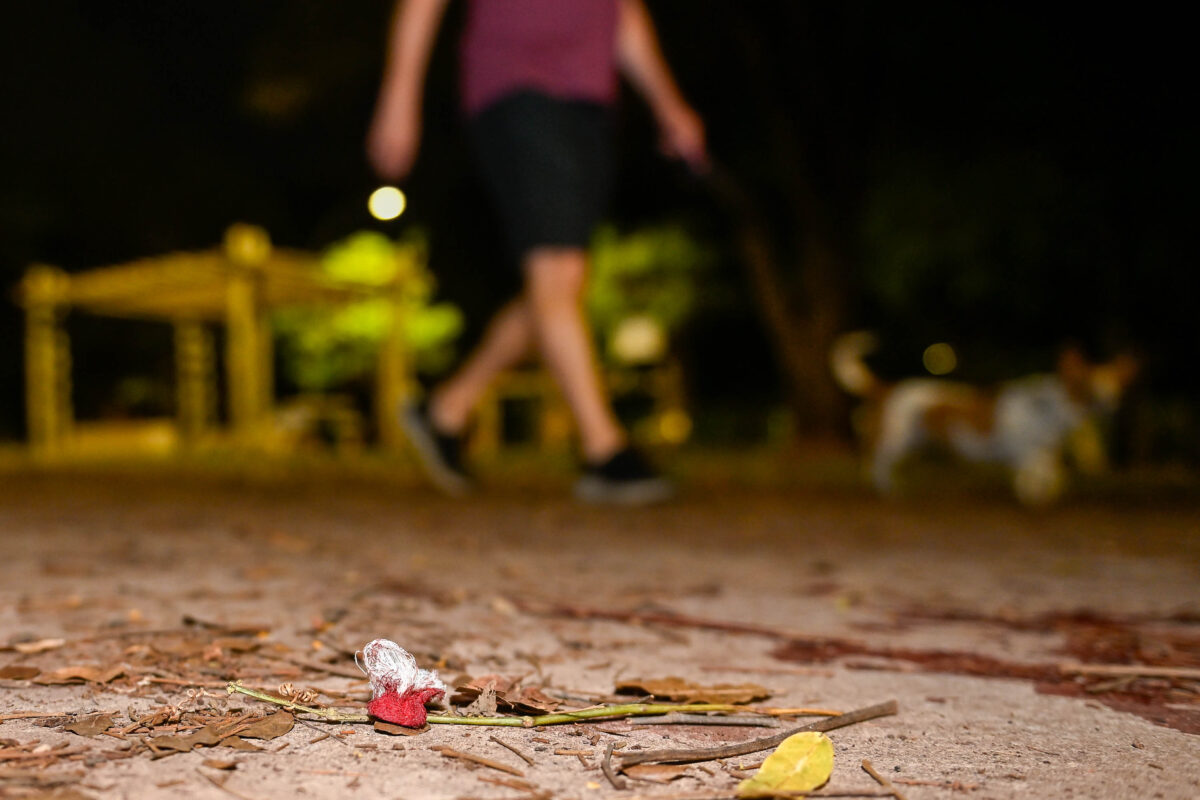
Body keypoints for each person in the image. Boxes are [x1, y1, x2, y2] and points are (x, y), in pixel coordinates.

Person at [367, 0, 707, 503]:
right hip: (515, 86)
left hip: (589, 99)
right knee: (558, 272)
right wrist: (399, 96)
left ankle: (446, 410)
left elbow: (623, 16)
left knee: (560, 285)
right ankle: (603, 450)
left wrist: (667, 103)